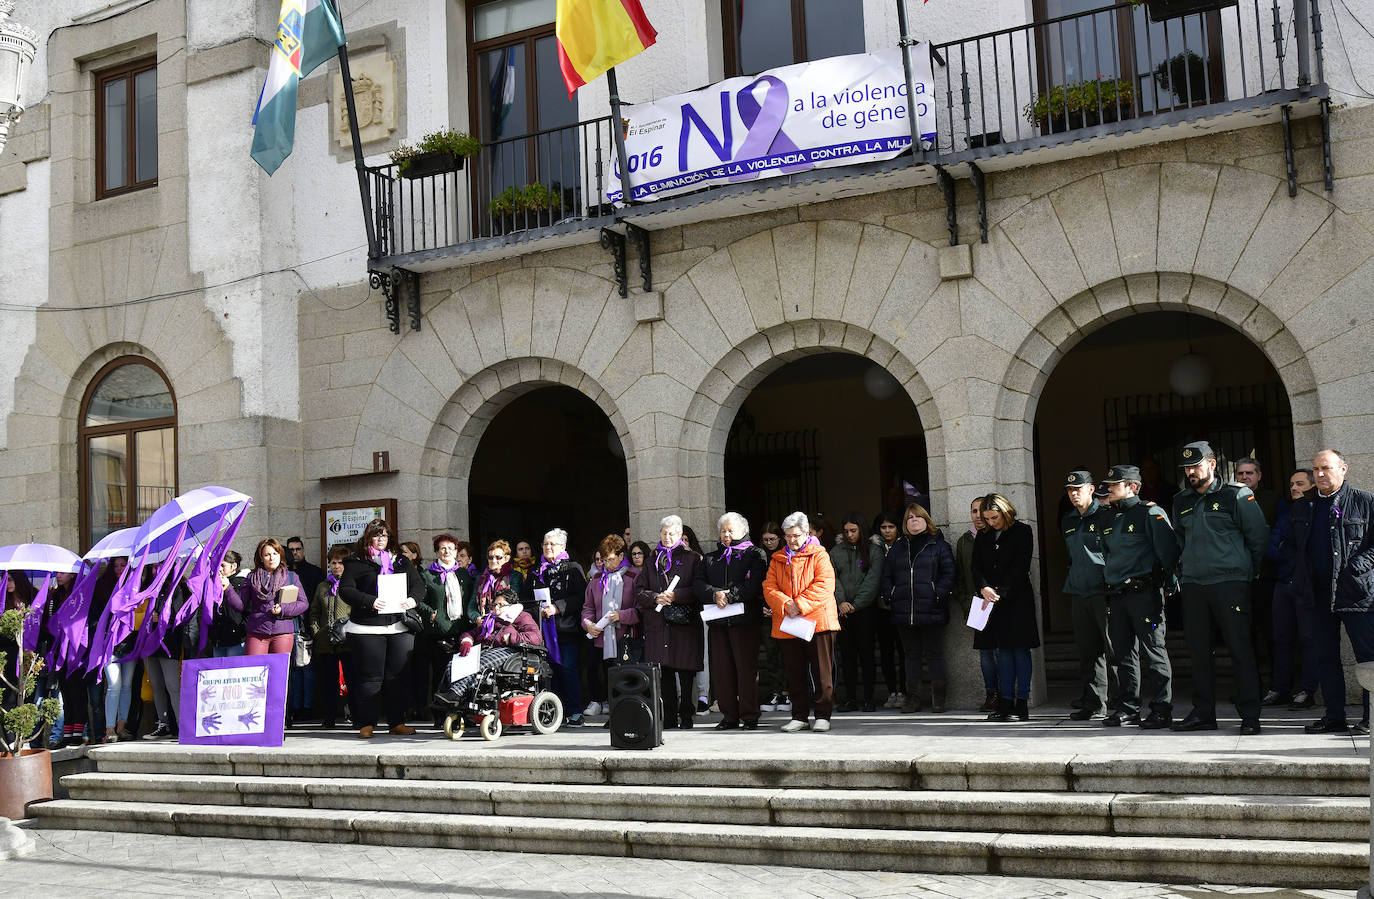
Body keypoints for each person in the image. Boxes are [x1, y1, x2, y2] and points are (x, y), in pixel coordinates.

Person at [1170, 440, 1268, 735]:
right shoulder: (1181, 501)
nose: (1191, 472)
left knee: (1240, 650)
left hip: (1230, 583)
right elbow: (1179, 541)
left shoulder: (1236, 495)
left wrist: (1245, 572)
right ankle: (1203, 713)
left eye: (1196, 465)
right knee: (1199, 652)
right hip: (1194, 585)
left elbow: (1258, 538)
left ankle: (1250, 715)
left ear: (1212, 464)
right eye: (1187, 468)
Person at [1294, 450, 1374, 735]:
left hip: (1355, 592)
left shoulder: (1365, 501)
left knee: (1368, 659)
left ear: (1343, 469)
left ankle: (1370, 718)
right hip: (1317, 594)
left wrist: (1357, 567)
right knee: (1325, 657)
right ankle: (1334, 716)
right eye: (1315, 469)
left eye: (1326, 468)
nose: (1320, 474)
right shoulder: (1306, 505)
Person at [1100, 464, 1178, 729]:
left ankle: (1161, 708)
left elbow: (1168, 551)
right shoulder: (1109, 517)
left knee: (1154, 650)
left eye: (1115, 484)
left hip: (1144, 594)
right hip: (1118, 596)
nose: (1109, 488)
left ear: (1132, 486)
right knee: (1123, 654)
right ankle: (1128, 707)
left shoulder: (1150, 513)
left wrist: (1170, 581)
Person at [337, 518, 427, 738]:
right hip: (367, 628)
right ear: (368, 538)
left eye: (384, 535)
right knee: (370, 678)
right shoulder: (356, 562)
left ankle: (397, 722)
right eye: (376, 535)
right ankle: (366, 723)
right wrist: (369, 601)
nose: (381, 539)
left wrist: (413, 600)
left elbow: (418, 585)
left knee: (398, 677)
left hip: (398, 626)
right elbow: (346, 590)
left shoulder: (400, 562)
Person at [764, 511, 839, 732]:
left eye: (795, 535)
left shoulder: (819, 555)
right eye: (787, 536)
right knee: (794, 672)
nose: (791, 540)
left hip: (818, 621)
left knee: (821, 672)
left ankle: (823, 715)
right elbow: (769, 587)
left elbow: (824, 585)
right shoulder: (778, 558)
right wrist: (786, 603)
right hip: (789, 622)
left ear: (806, 533)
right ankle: (799, 716)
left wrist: (800, 604)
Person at [694, 512, 768, 729]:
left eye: (730, 530)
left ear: (742, 532)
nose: (726, 535)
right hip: (718, 622)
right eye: (723, 531)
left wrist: (730, 595)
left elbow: (755, 583)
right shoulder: (710, 558)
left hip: (744, 621)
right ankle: (729, 716)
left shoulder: (755, 554)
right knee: (721, 670)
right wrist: (715, 594)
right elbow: (698, 584)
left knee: (746, 669)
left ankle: (750, 715)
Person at [880, 503, 955, 714]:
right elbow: (886, 576)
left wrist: (937, 593)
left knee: (935, 655)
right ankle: (912, 700)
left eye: (918, 517)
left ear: (926, 520)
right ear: (905, 523)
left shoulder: (939, 545)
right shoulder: (898, 547)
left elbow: (949, 574)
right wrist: (889, 595)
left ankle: (938, 700)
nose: (914, 520)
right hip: (904, 610)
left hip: (932, 609)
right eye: (910, 517)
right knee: (910, 656)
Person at [973, 493, 1039, 722]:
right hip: (992, 601)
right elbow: (976, 567)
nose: (991, 522)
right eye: (987, 518)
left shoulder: (1022, 531)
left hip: (1017, 600)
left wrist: (1000, 590)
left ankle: (1021, 704)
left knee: (1019, 651)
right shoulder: (983, 537)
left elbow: (1021, 566)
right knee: (1002, 652)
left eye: (994, 517)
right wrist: (984, 588)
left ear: (1005, 511)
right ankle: (1006, 703)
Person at [636, 514, 704, 729]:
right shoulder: (651, 559)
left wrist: (676, 596)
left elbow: (698, 589)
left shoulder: (692, 558)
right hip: (658, 623)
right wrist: (655, 597)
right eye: (664, 533)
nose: (667, 537)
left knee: (685, 671)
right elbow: (639, 590)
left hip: (684, 623)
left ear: (680, 534)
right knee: (664, 672)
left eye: (672, 533)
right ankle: (670, 715)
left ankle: (686, 714)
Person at [1061, 470, 1117, 722]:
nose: (1074, 493)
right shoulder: (1068, 519)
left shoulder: (1106, 516)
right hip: (1078, 590)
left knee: (1114, 649)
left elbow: (1115, 552)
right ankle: (1094, 703)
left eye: (1079, 489)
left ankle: (1123, 701)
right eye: (1070, 490)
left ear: (1091, 489)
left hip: (1103, 591)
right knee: (1088, 651)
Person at [1264, 469, 1319, 710]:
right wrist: (1291, 551)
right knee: (1281, 639)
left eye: (1300, 483)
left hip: (1307, 586)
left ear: (1312, 486)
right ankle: (1280, 689)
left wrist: (1291, 550)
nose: (1294, 488)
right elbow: (1272, 549)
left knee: (1308, 639)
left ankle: (1308, 691)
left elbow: (1313, 552)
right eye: (1291, 484)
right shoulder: (1286, 514)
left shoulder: (1318, 511)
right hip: (1283, 584)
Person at [529, 528, 590, 726]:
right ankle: (555, 712)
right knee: (548, 672)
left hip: (566, 630)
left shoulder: (572, 568)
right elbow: (526, 598)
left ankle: (574, 711)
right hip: (543, 630)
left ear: (562, 547)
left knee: (568, 669)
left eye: (552, 544)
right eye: (545, 544)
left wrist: (557, 607)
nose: (548, 547)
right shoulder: (536, 571)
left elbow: (581, 597)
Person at [583, 534, 643, 722]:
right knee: (607, 678)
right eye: (602, 560)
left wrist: (621, 615)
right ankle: (615, 717)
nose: (605, 565)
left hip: (626, 638)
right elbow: (588, 608)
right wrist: (588, 624)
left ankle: (627, 716)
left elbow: (641, 610)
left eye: (609, 560)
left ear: (620, 556)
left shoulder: (634, 576)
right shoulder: (597, 579)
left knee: (626, 681)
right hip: (602, 639)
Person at [830, 514, 883, 712]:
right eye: (846, 531)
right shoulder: (836, 551)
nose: (850, 535)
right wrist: (842, 602)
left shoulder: (874, 550)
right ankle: (851, 698)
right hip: (842, 611)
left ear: (862, 530)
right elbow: (832, 578)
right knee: (847, 656)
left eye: (854, 531)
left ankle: (869, 698)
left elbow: (873, 580)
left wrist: (856, 604)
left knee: (867, 655)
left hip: (866, 610)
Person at [227, 539, 307, 656]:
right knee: (254, 670)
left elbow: (303, 603)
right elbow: (241, 605)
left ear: (280, 555)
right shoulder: (251, 577)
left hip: (282, 632)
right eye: (267, 555)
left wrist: (282, 609)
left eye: (275, 553)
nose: (272, 558)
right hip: (257, 631)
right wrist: (227, 588)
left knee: (278, 672)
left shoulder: (291, 576)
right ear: (261, 557)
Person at [954, 499, 996, 712]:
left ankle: (1007, 693)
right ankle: (992, 694)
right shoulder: (964, 541)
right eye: (974, 511)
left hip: (999, 602)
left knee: (1004, 652)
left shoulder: (997, 535)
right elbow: (960, 576)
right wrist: (966, 603)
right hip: (978, 605)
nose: (978, 515)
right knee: (986, 653)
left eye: (982, 511)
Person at [310, 546, 354, 729]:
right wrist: (316, 630)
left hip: (348, 642)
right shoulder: (322, 586)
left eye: (340, 562)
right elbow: (314, 612)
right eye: (333, 562)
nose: (336, 566)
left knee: (352, 680)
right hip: (326, 643)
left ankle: (355, 715)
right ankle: (328, 718)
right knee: (328, 682)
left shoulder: (352, 584)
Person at [872, 511, 907, 710]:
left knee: (903, 652)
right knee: (886, 652)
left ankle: (903, 690)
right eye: (883, 527)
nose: (887, 531)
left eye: (891, 527)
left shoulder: (904, 546)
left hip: (900, 606)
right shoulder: (874, 548)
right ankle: (892, 690)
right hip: (881, 607)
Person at [756, 522, 789, 713]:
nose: (769, 543)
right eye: (765, 540)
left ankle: (787, 692)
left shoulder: (786, 555)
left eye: (772, 539)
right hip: (766, 612)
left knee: (787, 653)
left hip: (784, 611)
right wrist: (762, 606)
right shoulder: (759, 557)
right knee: (771, 655)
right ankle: (776, 691)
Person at [207, 551, 247, 657]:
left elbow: (241, 606)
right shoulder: (213, 582)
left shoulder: (242, 583)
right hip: (218, 637)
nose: (219, 568)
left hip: (235, 637)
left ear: (233, 566)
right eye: (217, 565)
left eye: (222, 565)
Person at [475, 540, 523, 617]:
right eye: (490, 557)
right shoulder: (481, 577)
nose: (493, 561)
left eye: (498, 557)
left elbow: (512, 601)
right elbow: (472, 605)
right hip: (483, 621)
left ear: (507, 558)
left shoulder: (515, 576)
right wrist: (476, 618)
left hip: (506, 620)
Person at [285, 537, 326, 604]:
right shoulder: (283, 573)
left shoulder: (316, 572)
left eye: (298, 549)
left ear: (303, 551)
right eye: (291, 550)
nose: (295, 552)